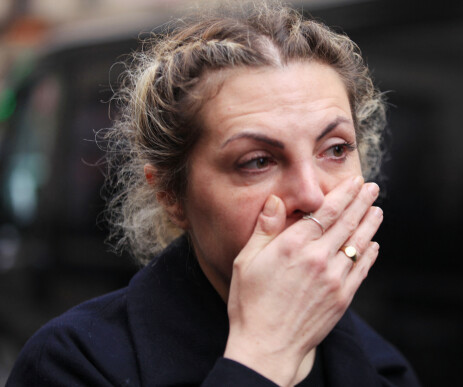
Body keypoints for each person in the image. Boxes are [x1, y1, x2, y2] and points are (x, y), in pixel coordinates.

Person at [7, 1, 421, 386]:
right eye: (257, 161)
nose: (312, 195)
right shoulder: (72, 363)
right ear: (172, 195)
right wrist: (262, 356)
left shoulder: (383, 367)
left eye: (335, 149)